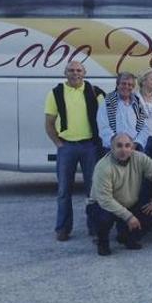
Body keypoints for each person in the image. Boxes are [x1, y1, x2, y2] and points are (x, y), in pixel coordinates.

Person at [45, 60, 105, 241]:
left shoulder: (95, 92)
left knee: (93, 190)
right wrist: (59, 144)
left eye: (79, 70)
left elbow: (106, 118)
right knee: (64, 190)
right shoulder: (56, 93)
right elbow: (49, 123)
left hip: (90, 147)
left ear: (84, 72)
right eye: (71, 70)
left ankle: (95, 227)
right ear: (65, 73)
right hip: (67, 146)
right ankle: (63, 228)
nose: (75, 73)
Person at [90, 133, 152, 256]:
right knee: (103, 218)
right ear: (112, 148)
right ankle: (103, 242)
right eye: (119, 146)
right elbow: (105, 200)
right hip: (104, 205)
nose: (123, 150)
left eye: (127, 146)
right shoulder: (103, 167)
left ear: (132, 148)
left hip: (130, 203)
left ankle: (128, 237)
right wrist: (129, 217)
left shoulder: (140, 158)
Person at [97, 72, 149, 154]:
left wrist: (136, 143)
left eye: (130, 85)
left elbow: (144, 126)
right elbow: (104, 128)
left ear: (133, 87)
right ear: (117, 85)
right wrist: (120, 145)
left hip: (135, 149)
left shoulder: (138, 102)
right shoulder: (107, 102)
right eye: (123, 84)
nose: (127, 87)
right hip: (113, 149)